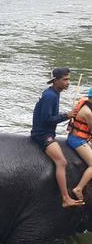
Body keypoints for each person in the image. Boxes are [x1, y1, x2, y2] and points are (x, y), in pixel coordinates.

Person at [31, 67, 82, 208]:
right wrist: (66, 115)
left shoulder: (55, 93)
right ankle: (66, 198)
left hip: (48, 132)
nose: (68, 83)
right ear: (56, 80)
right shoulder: (50, 96)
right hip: (42, 135)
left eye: (69, 79)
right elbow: (46, 119)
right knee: (62, 162)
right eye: (65, 80)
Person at [67, 86, 92, 202]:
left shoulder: (85, 103)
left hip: (78, 137)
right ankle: (78, 188)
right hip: (77, 140)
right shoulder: (88, 113)